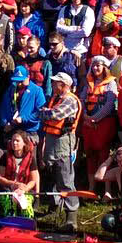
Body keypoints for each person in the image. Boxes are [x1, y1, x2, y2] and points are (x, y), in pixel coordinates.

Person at [36, 72, 81, 228]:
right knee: (52, 175)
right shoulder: (56, 98)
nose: (53, 84)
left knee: (65, 179)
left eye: (56, 82)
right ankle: (53, 208)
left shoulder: (70, 100)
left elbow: (55, 114)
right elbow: (47, 114)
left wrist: (43, 113)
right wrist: (44, 113)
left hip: (63, 142)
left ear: (65, 85)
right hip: (51, 140)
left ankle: (71, 217)